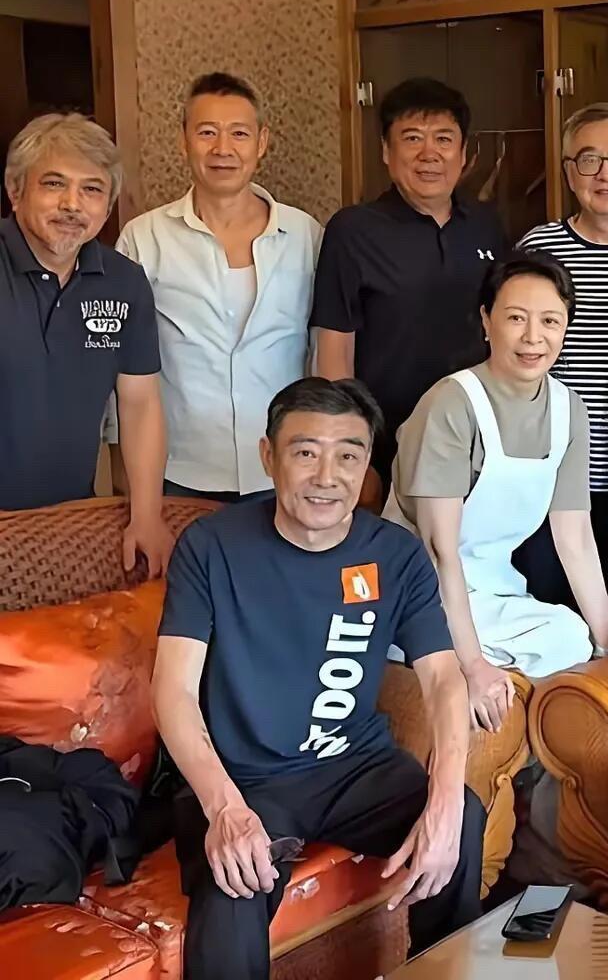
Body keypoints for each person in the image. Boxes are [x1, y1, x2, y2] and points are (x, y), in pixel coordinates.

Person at [151, 377, 484, 980]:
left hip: (356, 769)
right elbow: (172, 690)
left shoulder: (396, 555)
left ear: (367, 466)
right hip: (246, 779)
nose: (327, 477)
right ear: (268, 457)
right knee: (233, 887)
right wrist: (223, 807)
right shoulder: (210, 546)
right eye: (305, 452)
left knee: (462, 815)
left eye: (348, 456)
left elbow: (442, 678)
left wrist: (443, 802)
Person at [385, 255, 608, 732]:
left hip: (493, 591)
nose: (533, 337)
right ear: (487, 321)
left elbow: (574, 536)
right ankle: (438, 659)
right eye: (516, 318)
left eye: (550, 321)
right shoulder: (451, 403)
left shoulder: (569, 410)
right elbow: (438, 550)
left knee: (570, 637)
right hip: (417, 589)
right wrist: (471, 665)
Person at [113, 72, 321, 501]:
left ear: (262, 142)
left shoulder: (306, 235)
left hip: (286, 467)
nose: (222, 148)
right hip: (179, 469)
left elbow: (324, 348)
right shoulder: (143, 238)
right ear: (183, 140)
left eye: (239, 133)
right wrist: (129, 480)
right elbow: (121, 362)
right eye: (207, 132)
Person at [311, 77, 508, 494]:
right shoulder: (353, 231)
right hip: (386, 447)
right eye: (412, 138)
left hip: (477, 442)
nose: (429, 153)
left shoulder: (486, 226)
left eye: (444, 139)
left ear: (464, 153)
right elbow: (334, 353)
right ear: (386, 151)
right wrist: (351, 453)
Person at [0, 112, 172, 575]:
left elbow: (140, 404)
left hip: (70, 521)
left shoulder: (124, 281)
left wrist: (146, 514)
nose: (72, 204)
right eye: (54, 184)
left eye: (92, 189)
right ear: (15, 190)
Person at [517, 102, 608, 579]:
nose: (606, 173)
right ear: (568, 172)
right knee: (554, 611)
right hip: (554, 479)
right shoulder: (537, 250)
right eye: (588, 159)